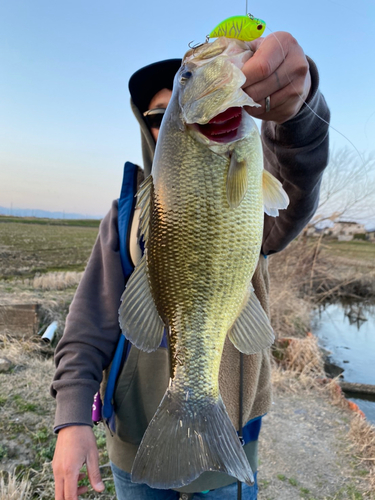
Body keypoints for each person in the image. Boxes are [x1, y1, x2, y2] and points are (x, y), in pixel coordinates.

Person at [51, 31, 330, 500]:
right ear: (148, 127)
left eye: (177, 96)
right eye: (156, 116)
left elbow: (297, 179)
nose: (166, 120)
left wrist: (299, 112)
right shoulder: (126, 214)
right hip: (135, 440)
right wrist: (72, 415)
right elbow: (88, 324)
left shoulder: (248, 177)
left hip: (226, 444)